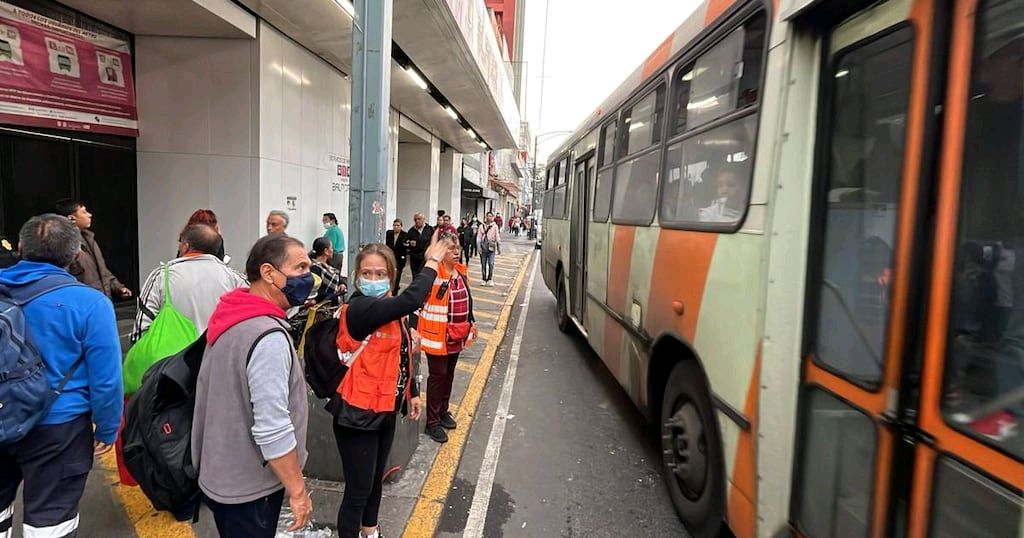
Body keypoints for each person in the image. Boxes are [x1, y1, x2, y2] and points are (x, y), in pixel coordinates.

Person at [0, 214, 123, 537]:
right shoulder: (90, 304)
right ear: (75, 255)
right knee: (50, 522)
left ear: (22, 247)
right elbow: (106, 379)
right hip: (58, 429)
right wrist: (107, 429)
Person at [192, 234, 313, 537]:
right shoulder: (266, 336)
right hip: (248, 486)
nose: (309, 277)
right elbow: (272, 427)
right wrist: (297, 490)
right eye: (300, 268)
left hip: (222, 473)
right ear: (269, 273)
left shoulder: (232, 314)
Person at [332, 235, 452, 538]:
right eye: (367, 274)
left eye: (380, 274)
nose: (373, 279)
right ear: (357, 276)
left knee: (374, 482)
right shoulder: (360, 309)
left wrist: (412, 393)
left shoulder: (390, 310)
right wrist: (432, 262)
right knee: (358, 491)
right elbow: (413, 299)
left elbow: (402, 356)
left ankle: (371, 532)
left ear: (391, 276)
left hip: (384, 409)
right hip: (356, 414)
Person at [133, 224, 247, 340]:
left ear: (185, 246)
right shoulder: (235, 279)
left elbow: (142, 327)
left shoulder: (161, 276)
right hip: (219, 354)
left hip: (172, 355)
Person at [419, 232, 477, 443]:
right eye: (451, 249)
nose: (456, 252)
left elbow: (467, 299)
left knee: (449, 374)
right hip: (437, 337)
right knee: (438, 376)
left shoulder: (460, 272)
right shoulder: (433, 274)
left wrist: (472, 321)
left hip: (457, 335)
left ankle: (443, 411)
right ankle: (432, 422)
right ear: (440, 253)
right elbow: (417, 301)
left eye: (458, 248)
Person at [56, 199, 132, 300]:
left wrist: (117, 286)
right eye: (84, 212)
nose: (89, 215)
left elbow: (101, 269)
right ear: (71, 219)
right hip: (82, 303)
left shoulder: (89, 238)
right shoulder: (63, 245)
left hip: (100, 300)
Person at [310, 237, 346, 304]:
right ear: (326, 251)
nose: (333, 250)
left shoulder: (328, 265)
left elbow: (337, 277)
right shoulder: (315, 269)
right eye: (331, 247)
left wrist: (341, 283)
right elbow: (317, 292)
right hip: (322, 306)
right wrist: (334, 295)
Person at [476, 212, 500, 287]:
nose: (489, 217)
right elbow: (478, 238)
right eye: (488, 216)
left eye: (491, 216)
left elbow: (497, 237)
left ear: (493, 217)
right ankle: (483, 279)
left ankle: (490, 279)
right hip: (483, 248)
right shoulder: (481, 226)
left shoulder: (495, 226)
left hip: (491, 248)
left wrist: (499, 248)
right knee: (483, 264)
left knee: (491, 263)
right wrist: (478, 248)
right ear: (485, 217)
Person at [385, 219, 408, 294]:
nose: (395, 227)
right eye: (394, 225)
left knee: (397, 276)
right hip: (390, 257)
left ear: (401, 226)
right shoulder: (389, 233)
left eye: (398, 225)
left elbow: (406, 246)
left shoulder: (405, 235)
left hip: (399, 258)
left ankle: (394, 292)